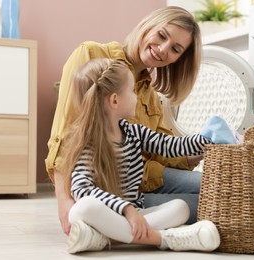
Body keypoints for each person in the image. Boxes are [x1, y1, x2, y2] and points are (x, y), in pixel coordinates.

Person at [45, 6, 204, 236]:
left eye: (175, 49)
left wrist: (207, 145)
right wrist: (64, 200)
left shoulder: (150, 93)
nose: (162, 49)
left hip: (141, 181)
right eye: (161, 35)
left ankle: (125, 230)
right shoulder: (91, 54)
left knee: (215, 189)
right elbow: (64, 134)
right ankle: (153, 234)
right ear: (148, 26)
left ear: (178, 59)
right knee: (204, 201)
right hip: (104, 186)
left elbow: (164, 147)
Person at [62, 58, 220, 254]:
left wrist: (208, 140)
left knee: (181, 207)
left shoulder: (133, 132)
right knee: (81, 209)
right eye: (132, 90)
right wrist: (126, 209)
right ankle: (164, 239)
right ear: (114, 100)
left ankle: (104, 238)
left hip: (137, 213)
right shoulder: (88, 143)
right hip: (111, 213)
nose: (136, 96)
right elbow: (82, 189)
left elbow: (170, 145)